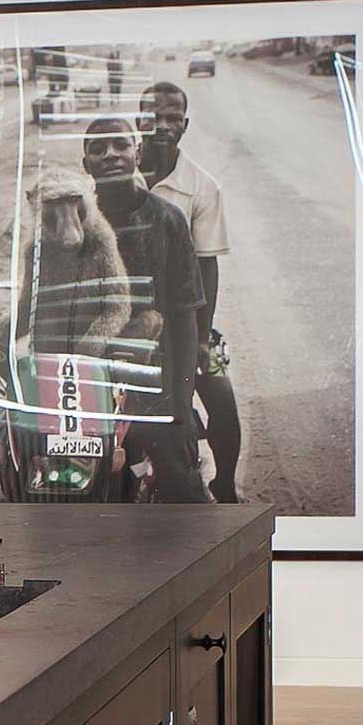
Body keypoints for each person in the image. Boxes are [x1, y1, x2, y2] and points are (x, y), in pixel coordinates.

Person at [83, 114, 211, 503]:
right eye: (98, 148)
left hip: (156, 382)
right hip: (91, 382)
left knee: (182, 490)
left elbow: (185, 316)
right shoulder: (74, 223)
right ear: (85, 162)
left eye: (120, 145)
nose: (110, 155)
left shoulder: (167, 220)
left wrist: (182, 404)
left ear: (137, 153)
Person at [142, 79, 243, 501]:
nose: (162, 125)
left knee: (220, 398)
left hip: (183, 317)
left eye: (171, 118)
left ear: (184, 125)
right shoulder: (117, 171)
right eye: (153, 117)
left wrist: (202, 338)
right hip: (127, 313)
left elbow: (207, 266)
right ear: (138, 121)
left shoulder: (202, 186)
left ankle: (224, 480)